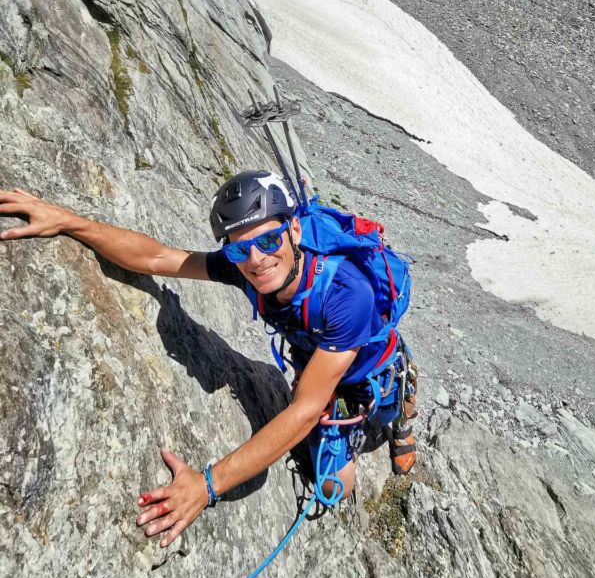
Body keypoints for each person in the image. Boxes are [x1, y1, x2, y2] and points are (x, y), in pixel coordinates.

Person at [0, 172, 417, 549]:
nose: (256, 260)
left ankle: (403, 407)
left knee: (343, 476)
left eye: (269, 241)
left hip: (363, 370)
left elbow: (306, 411)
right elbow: (160, 259)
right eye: (240, 251)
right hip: (318, 352)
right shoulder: (246, 262)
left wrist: (206, 485)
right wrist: (71, 223)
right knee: (335, 479)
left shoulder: (349, 294)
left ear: (293, 230)